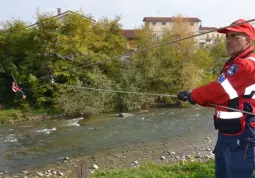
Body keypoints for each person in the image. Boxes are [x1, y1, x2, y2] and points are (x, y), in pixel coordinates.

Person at [177, 19, 255, 178]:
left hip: (242, 134)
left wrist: (194, 95)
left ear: (248, 40)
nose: (229, 40)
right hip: (228, 131)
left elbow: (219, 91)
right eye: (228, 36)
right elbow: (225, 97)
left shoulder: (246, 65)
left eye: (235, 36)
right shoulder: (234, 63)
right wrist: (197, 98)